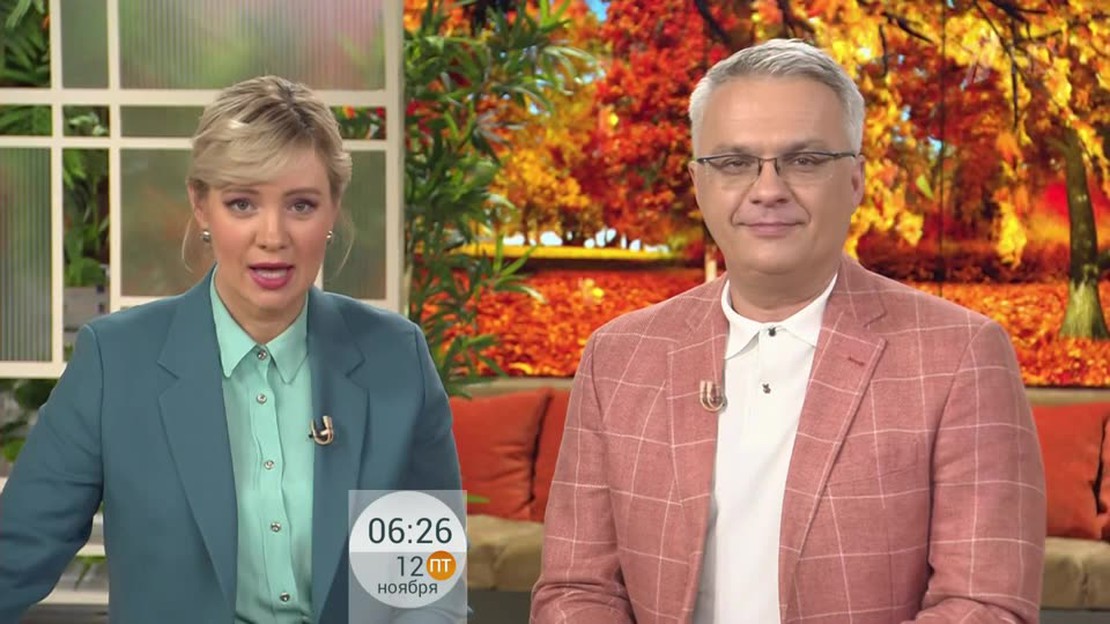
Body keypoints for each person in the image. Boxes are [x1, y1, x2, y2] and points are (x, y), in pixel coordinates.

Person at [531, 39, 1045, 624]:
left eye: (804, 160)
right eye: (734, 163)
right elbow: (575, 590)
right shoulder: (619, 356)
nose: (768, 189)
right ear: (698, 183)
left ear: (855, 180)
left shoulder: (961, 355)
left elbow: (984, 606)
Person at [0, 76, 464, 623]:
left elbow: (424, 590)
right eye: (242, 203)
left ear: (333, 209)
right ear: (201, 205)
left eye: (301, 205)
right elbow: (14, 558)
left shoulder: (395, 358)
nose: (273, 236)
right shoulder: (115, 362)